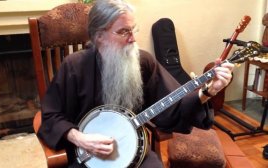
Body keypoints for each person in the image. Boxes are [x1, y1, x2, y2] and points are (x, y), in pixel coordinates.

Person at [38, 0, 234, 167]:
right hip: (89, 157)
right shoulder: (73, 66)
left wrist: (208, 91)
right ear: (99, 36)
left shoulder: (142, 61)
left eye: (133, 29)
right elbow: (51, 116)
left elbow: (172, 105)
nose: (133, 38)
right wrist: (79, 138)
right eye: (123, 32)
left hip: (134, 151)